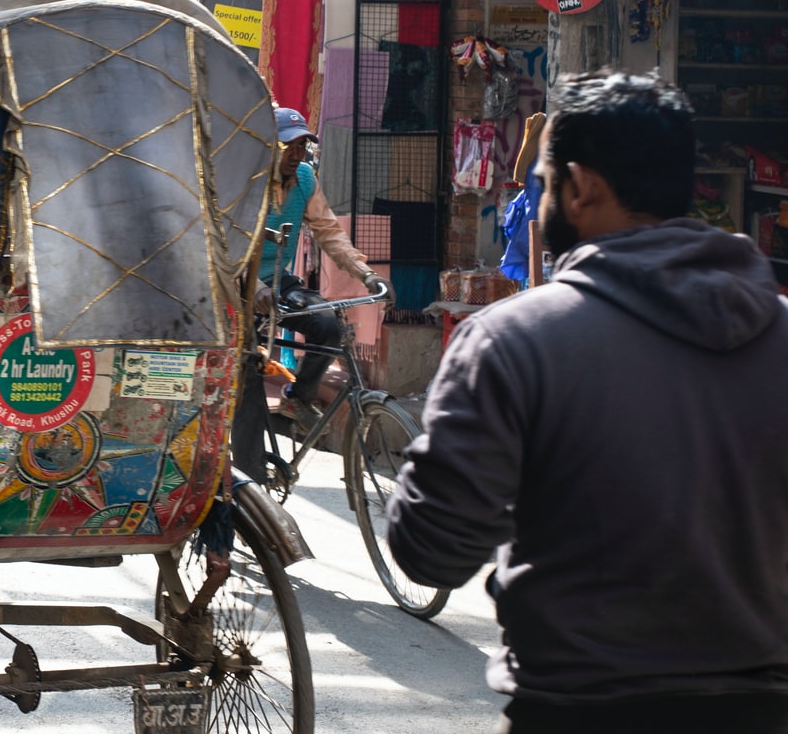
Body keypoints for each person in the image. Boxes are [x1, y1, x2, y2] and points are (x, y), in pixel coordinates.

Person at [388, 72, 788, 734]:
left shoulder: (512, 343)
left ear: (580, 186)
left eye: (543, 180)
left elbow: (431, 549)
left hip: (577, 709)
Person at [231, 107, 385, 477]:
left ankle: (298, 397)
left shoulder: (303, 178)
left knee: (328, 325)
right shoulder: (244, 180)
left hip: (277, 280)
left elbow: (328, 231)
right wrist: (258, 288)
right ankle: (250, 481)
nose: (296, 154)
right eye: (289, 146)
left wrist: (365, 274)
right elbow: (227, 243)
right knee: (249, 376)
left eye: (302, 146)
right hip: (236, 284)